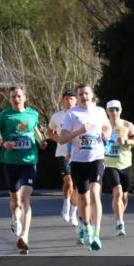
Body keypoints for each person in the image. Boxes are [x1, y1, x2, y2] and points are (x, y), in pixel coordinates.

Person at [0, 85, 47, 254]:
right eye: (13, 97)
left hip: (29, 161)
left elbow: (36, 130)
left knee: (24, 199)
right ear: (10, 99)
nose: (16, 99)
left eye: (19, 96)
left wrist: (42, 141)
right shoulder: (4, 115)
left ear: (24, 97)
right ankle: (15, 219)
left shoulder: (32, 114)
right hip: (10, 162)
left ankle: (25, 236)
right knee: (15, 201)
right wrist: (3, 143)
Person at [58, 84, 111, 252]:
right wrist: (79, 131)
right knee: (84, 199)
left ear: (91, 94)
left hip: (97, 158)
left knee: (95, 193)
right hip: (78, 162)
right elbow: (62, 139)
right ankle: (85, 226)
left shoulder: (100, 111)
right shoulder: (71, 114)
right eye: (81, 94)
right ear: (78, 96)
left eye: (86, 93)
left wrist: (106, 134)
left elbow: (107, 126)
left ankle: (96, 233)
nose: (84, 96)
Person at [103, 100, 134, 236]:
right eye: (111, 109)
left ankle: (119, 217)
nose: (114, 112)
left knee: (124, 196)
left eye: (116, 109)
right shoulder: (102, 126)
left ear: (120, 110)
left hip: (125, 164)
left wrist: (127, 141)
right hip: (109, 164)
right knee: (117, 192)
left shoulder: (127, 125)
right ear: (107, 111)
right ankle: (119, 222)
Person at [47, 89, 79, 226]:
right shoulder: (57, 116)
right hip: (62, 153)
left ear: (76, 100)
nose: (69, 101)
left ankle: (73, 212)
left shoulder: (81, 115)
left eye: (72, 98)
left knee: (77, 186)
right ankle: (66, 205)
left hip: (79, 153)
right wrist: (58, 138)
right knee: (68, 182)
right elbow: (49, 131)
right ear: (63, 101)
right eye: (66, 98)